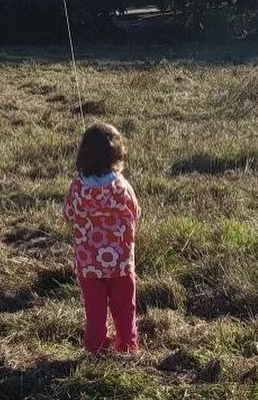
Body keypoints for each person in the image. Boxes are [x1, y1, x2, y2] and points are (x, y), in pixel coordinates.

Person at [62, 121, 141, 354]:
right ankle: (127, 345)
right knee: (125, 306)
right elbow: (135, 212)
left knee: (94, 309)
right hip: (121, 262)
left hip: (88, 264)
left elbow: (68, 213)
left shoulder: (77, 188)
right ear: (115, 155)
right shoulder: (121, 186)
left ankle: (96, 347)